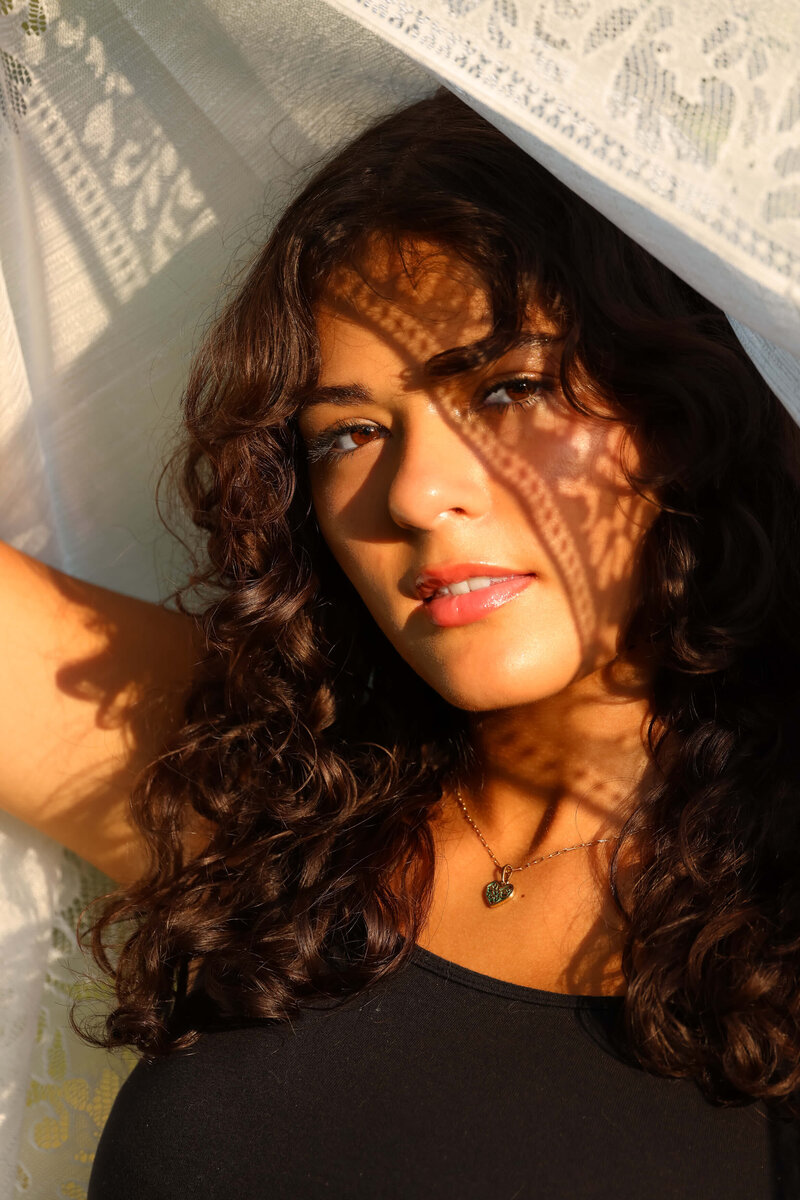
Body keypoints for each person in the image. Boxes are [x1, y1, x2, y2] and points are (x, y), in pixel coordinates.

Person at [3, 87, 799, 1197]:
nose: (418, 494)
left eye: (510, 387)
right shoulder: (265, 798)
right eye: (350, 433)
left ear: (686, 410)